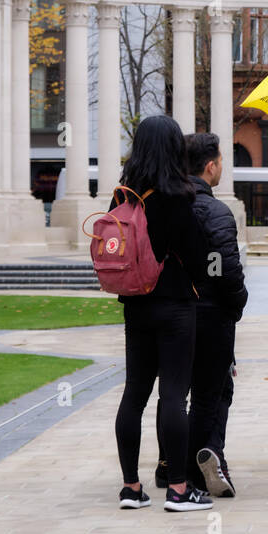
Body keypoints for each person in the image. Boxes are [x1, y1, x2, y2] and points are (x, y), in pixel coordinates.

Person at [113, 115, 214, 513]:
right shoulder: (176, 195)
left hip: (135, 304)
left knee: (134, 393)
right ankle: (177, 488)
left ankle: (131, 487)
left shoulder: (123, 195)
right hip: (173, 305)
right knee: (173, 394)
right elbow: (198, 255)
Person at [183, 132, 248, 499]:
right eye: (221, 160)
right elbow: (226, 269)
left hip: (177, 313)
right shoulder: (215, 211)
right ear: (210, 166)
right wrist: (238, 302)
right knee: (214, 391)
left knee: (178, 395)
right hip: (212, 315)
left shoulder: (169, 206)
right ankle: (201, 462)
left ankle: (175, 466)